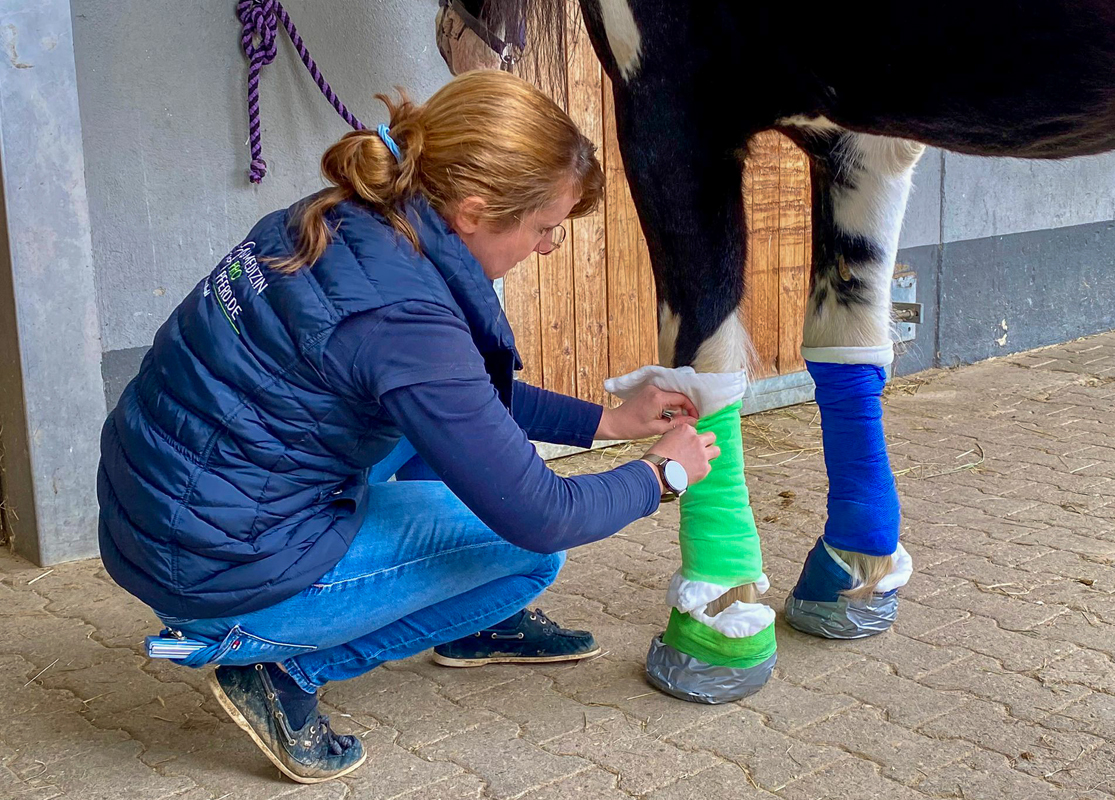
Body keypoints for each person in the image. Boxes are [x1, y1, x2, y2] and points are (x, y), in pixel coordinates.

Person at [97, 70, 719, 784]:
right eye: (545, 228)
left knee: (443, 441)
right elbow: (543, 514)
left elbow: (459, 403)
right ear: (476, 212)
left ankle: (454, 619)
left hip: (160, 519)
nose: (547, 247)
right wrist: (661, 474)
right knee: (527, 554)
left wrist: (609, 421)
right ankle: (287, 669)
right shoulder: (403, 319)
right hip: (220, 571)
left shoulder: (347, 217)